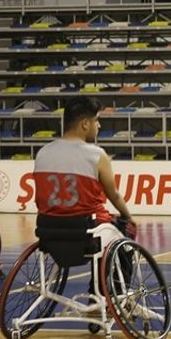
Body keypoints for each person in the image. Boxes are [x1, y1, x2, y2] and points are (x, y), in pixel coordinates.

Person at [33, 96, 137, 252]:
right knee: (126, 231)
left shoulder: (42, 152)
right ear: (85, 124)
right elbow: (113, 195)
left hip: (47, 227)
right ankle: (113, 277)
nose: (99, 125)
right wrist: (128, 217)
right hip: (87, 228)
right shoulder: (96, 155)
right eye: (96, 120)